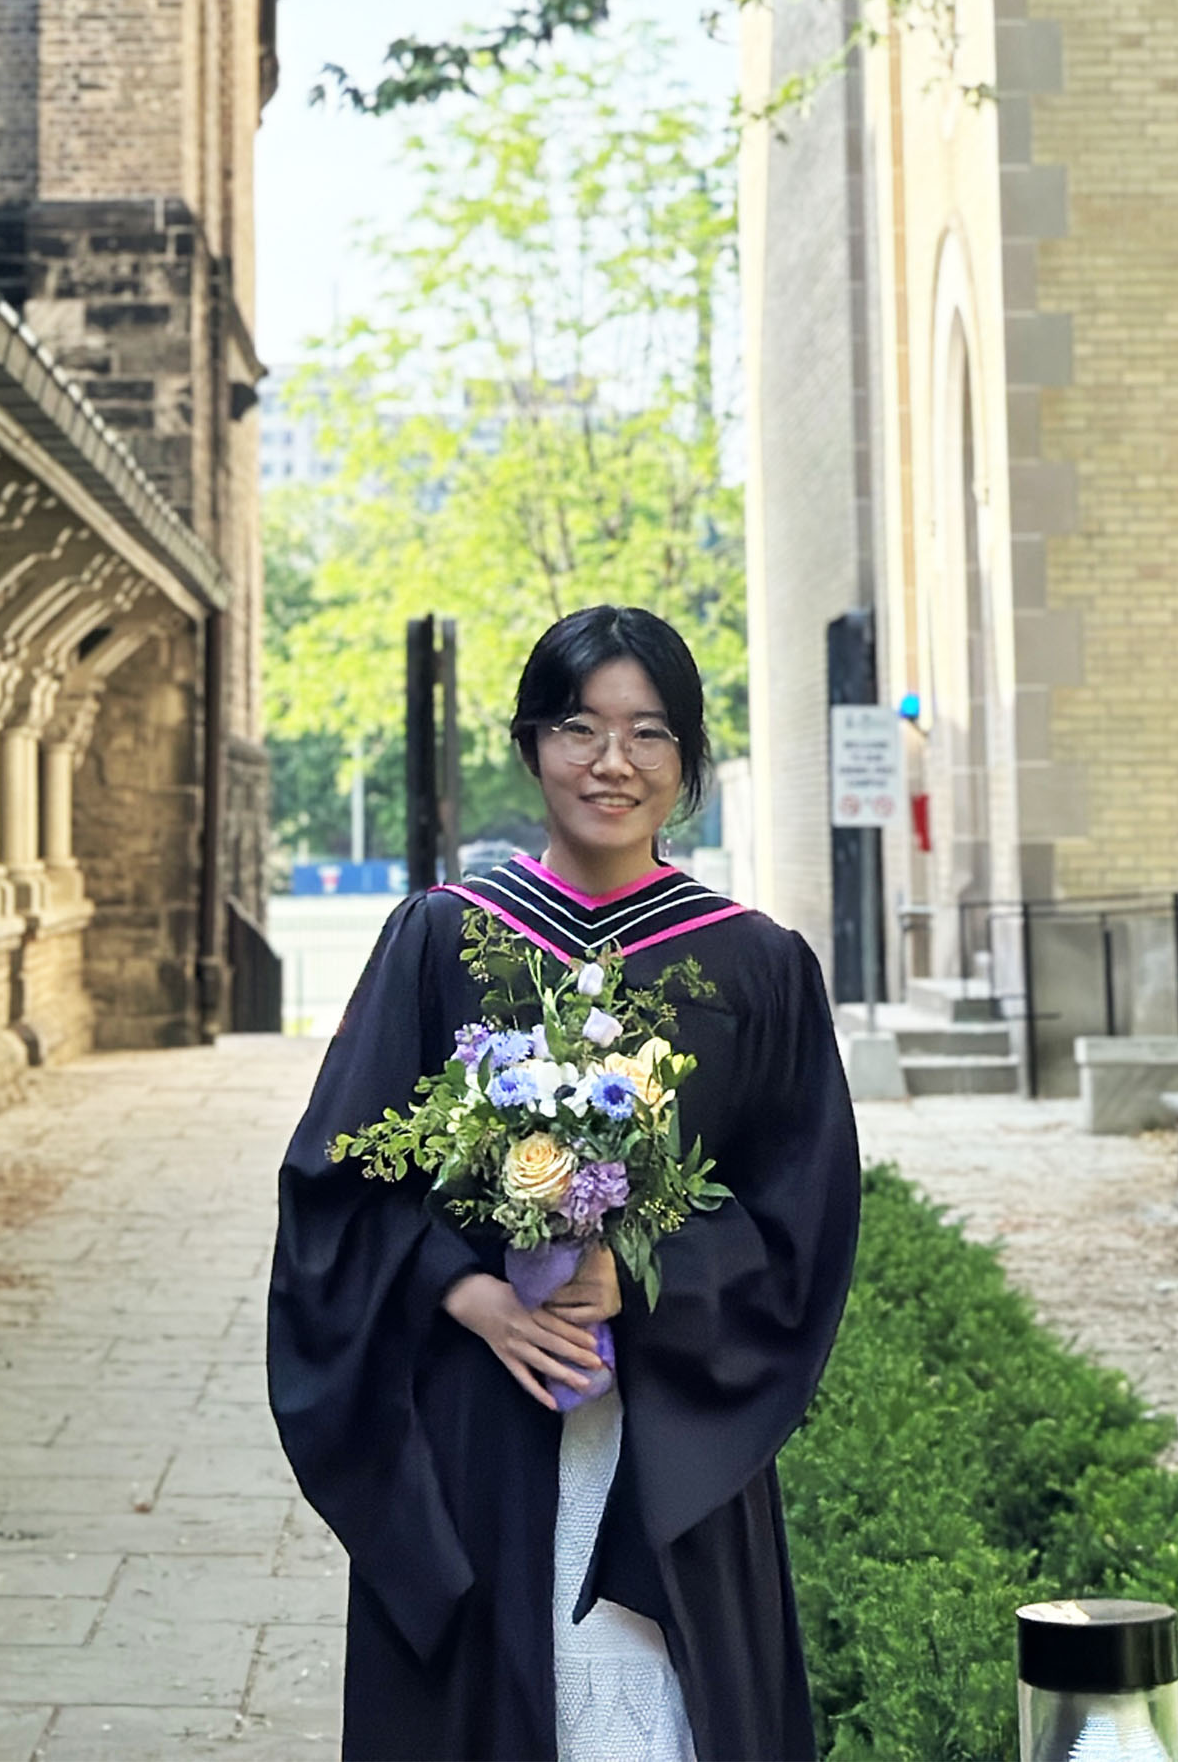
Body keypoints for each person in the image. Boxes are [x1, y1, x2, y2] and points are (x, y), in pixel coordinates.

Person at [269, 605, 861, 1760]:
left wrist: (641, 1275)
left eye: (648, 734)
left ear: (686, 760)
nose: (611, 763)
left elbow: (804, 1218)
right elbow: (338, 1181)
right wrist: (466, 1289)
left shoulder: (755, 963)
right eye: (580, 728)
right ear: (531, 744)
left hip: (670, 1430)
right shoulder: (443, 939)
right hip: (477, 1423)